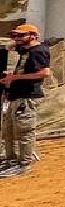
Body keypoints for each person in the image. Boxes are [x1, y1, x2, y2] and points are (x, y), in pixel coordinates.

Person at [1, 24, 49, 177]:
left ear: (33, 36)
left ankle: (24, 164)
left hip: (27, 96)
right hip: (16, 95)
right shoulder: (25, 50)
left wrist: (14, 78)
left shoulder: (38, 51)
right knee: (9, 131)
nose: (16, 39)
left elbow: (44, 73)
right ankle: (12, 161)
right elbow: (10, 46)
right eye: (14, 36)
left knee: (24, 131)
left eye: (21, 36)